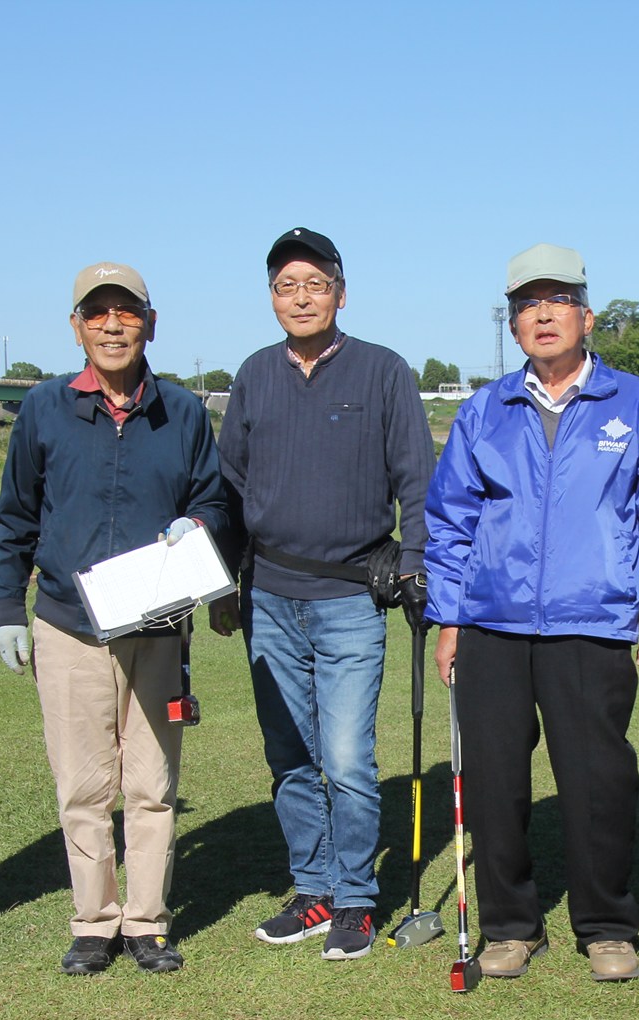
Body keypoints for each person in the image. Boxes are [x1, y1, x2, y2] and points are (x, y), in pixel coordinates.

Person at [423, 243, 639, 982]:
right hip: (491, 624)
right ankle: (510, 925)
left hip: (592, 623)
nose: (543, 314)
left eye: (558, 300)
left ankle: (606, 926)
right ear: (512, 324)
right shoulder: (485, 410)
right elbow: (451, 521)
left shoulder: (637, 405)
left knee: (599, 781)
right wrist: (449, 619)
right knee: (496, 781)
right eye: (527, 304)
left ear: (586, 317)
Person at [0, 262, 232, 976]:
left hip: (156, 630)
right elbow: (15, 517)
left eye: (126, 312)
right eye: (97, 314)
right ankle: (94, 924)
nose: (113, 326)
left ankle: (147, 923)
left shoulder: (182, 410)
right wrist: (7, 608)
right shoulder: (43, 407)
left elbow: (213, 499)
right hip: (68, 626)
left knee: (151, 787)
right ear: (77, 328)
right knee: (83, 787)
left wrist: (198, 524)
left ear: (150, 324)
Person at [217, 228, 435, 961]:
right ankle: (312, 891)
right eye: (287, 286)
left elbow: (416, 479)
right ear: (272, 298)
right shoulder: (254, 374)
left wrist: (415, 564)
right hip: (269, 597)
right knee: (290, 757)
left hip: (350, 599)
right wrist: (223, 581)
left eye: (315, 284)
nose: (301, 297)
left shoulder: (383, 370)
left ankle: (355, 900)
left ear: (341, 294)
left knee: (345, 759)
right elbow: (230, 488)